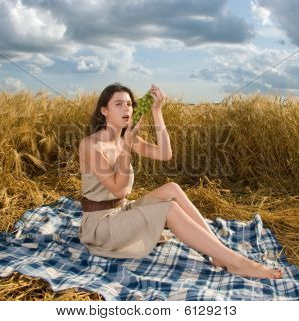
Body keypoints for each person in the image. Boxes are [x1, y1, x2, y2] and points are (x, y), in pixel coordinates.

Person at [78, 82, 283, 279]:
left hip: (121, 211)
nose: (127, 109)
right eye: (119, 104)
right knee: (169, 209)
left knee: (172, 188)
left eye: (130, 104)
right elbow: (119, 191)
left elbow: (165, 153)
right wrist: (127, 146)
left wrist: (157, 111)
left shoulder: (126, 138)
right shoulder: (91, 145)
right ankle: (236, 263)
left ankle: (217, 253)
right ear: (104, 111)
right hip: (101, 226)